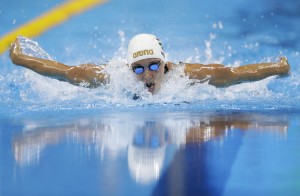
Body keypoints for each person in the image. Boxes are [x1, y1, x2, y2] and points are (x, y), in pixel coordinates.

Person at [9, 34, 290, 94]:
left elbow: (233, 74)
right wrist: (19, 59)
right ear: (129, 68)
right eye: (139, 68)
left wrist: (278, 68)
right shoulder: (111, 77)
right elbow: (63, 72)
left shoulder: (189, 76)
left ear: (165, 64)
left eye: (154, 65)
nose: (147, 75)